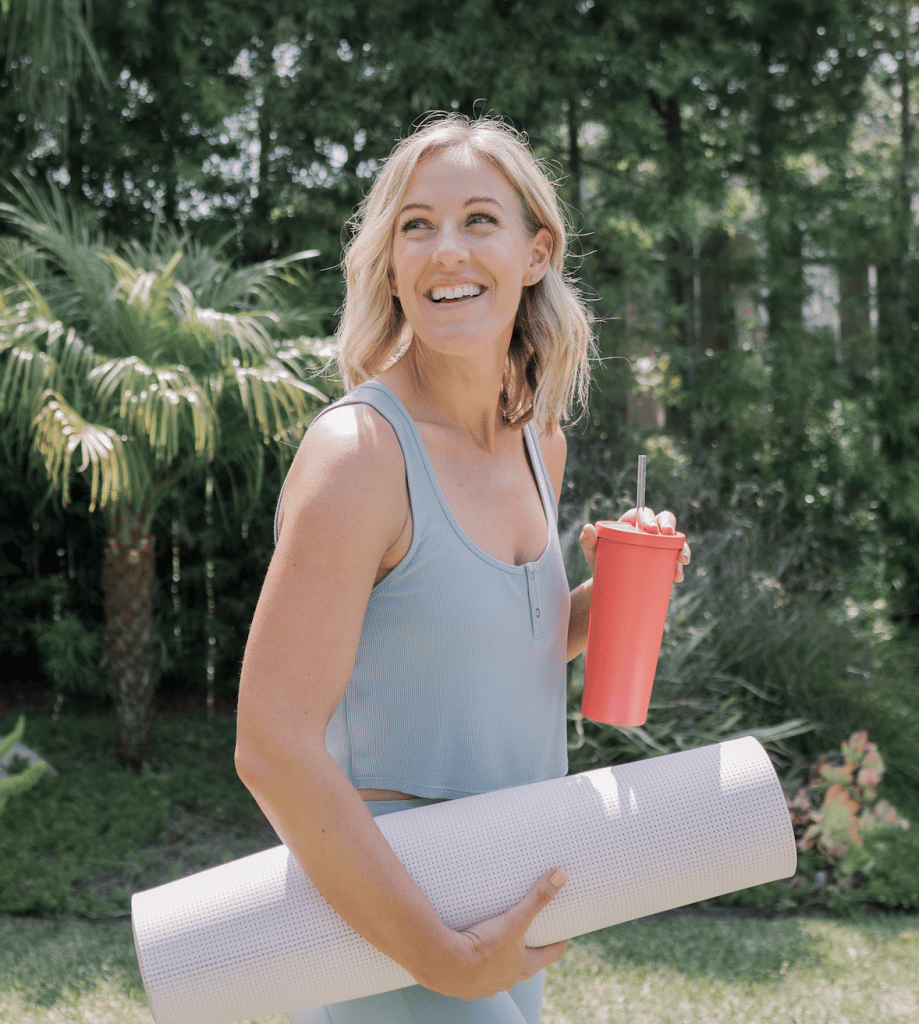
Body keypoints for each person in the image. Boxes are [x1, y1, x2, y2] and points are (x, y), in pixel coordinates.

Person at [235, 112, 690, 1024]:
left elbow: (487, 645)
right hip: (394, 909)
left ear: (535, 253)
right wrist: (438, 954)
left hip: (516, 882)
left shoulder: (536, 442)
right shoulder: (360, 454)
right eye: (416, 226)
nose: (447, 249)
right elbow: (271, 746)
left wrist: (615, 597)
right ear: (390, 265)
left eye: (479, 219)